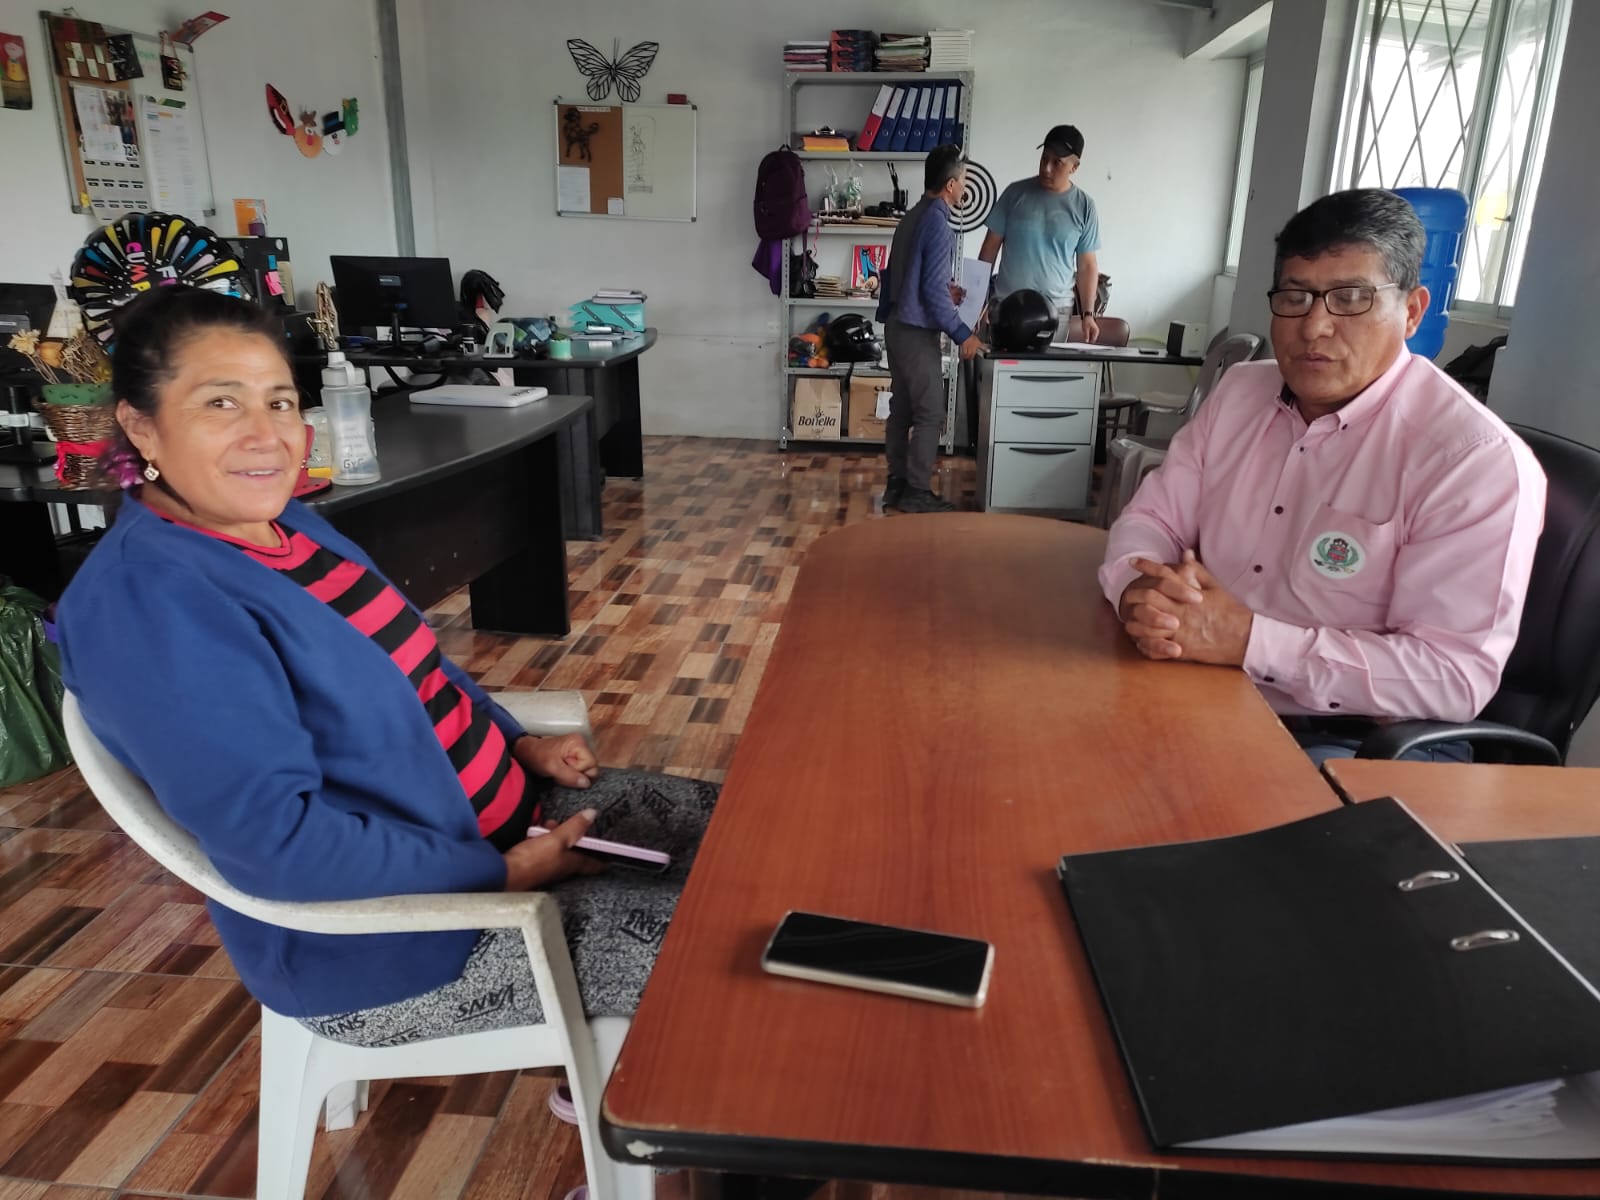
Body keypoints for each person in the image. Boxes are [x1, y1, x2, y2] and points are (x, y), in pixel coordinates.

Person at [57, 285, 718, 1049]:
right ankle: (645, 1100)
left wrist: (517, 742)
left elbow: (411, 661)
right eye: (220, 404)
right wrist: (502, 875)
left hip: (516, 820)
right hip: (403, 941)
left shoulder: (285, 524)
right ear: (141, 426)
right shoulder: (149, 603)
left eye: (280, 402)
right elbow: (281, 846)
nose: (266, 435)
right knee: (742, 951)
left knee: (760, 838)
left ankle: (620, 1066)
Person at [1098, 188, 1546, 765]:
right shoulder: (1241, 392)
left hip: (1355, 738)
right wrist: (1138, 589)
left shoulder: (1471, 459)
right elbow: (1152, 519)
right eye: (1295, 297)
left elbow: (1451, 677)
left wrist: (1249, 640)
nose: (1314, 326)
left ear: (1412, 311)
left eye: (1351, 299)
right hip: (1198, 681)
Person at [875, 142, 986, 513]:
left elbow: (905, 277)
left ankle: (897, 485)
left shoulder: (911, 216)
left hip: (896, 325)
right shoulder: (939, 223)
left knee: (902, 409)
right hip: (915, 332)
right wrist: (963, 334)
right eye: (964, 179)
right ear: (951, 184)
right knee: (930, 412)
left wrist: (944, 289)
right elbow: (932, 297)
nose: (965, 186)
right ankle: (917, 492)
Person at [979, 124, 1102, 344]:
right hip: (1007, 308)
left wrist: (1088, 315)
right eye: (1044, 158)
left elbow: (1087, 266)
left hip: (1056, 311)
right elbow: (989, 250)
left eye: (1057, 163)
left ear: (1074, 167)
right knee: (1002, 367)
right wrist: (976, 302)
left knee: (1047, 366)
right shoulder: (1014, 194)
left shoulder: (1084, 206)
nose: (1046, 168)